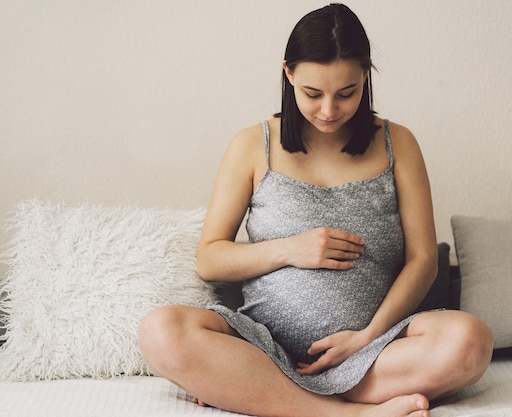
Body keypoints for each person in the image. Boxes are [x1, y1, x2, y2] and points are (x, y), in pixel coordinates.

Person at [138, 4, 493, 417]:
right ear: (288, 74)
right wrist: (291, 249)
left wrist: (366, 337)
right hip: (263, 347)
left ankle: (261, 393)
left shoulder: (400, 144)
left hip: (375, 351)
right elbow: (210, 258)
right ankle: (346, 412)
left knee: (471, 340)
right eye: (312, 94)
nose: (329, 110)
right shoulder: (252, 146)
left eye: (346, 93)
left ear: (365, 76)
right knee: (159, 331)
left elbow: (423, 259)